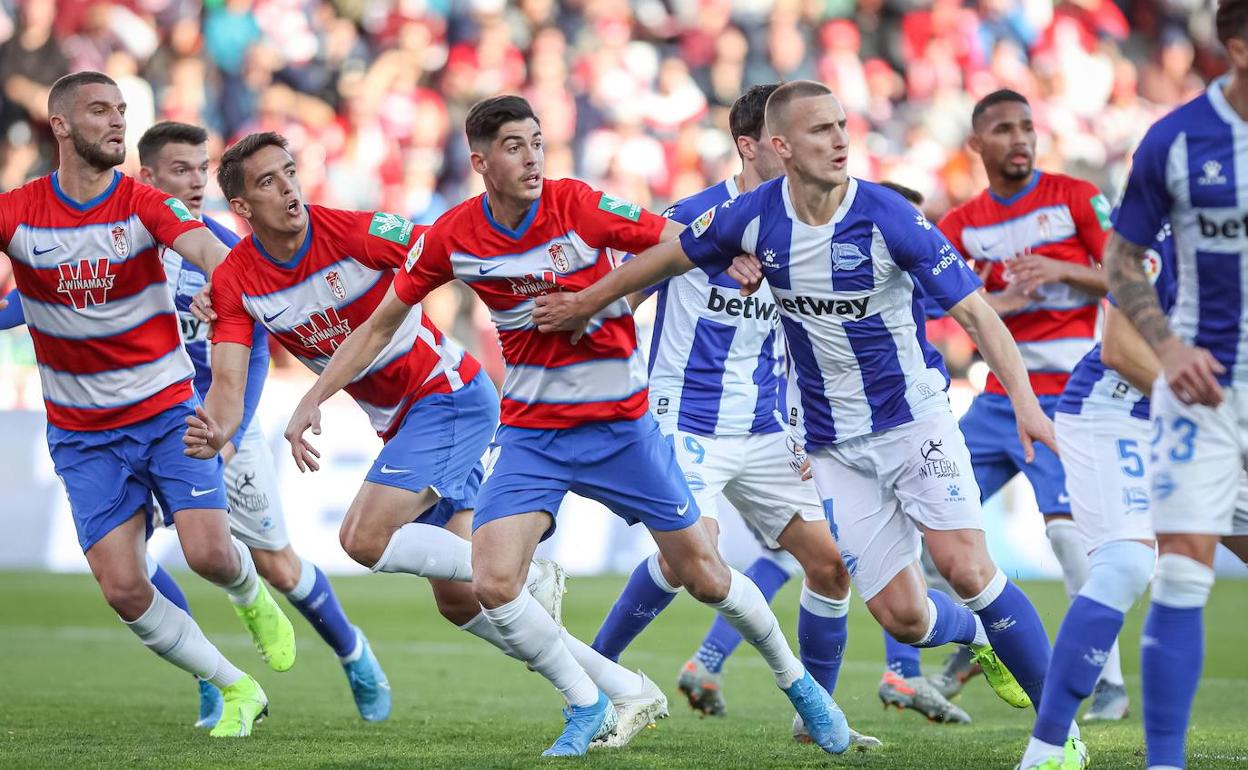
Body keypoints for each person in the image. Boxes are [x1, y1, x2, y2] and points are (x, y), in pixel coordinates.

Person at [291, 95, 851, 757]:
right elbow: (381, 322)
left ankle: (803, 690)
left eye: (537, 141)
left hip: (621, 428)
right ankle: (588, 704)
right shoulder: (452, 237)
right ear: (479, 160)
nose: (532, 157)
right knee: (493, 582)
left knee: (705, 574)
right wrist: (314, 397)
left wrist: (716, 254)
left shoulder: (578, 205)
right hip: (532, 436)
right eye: (513, 146)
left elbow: (667, 235)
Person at [533, 79, 1074, 754]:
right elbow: (650, 268)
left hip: (825, 426)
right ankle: (607, 680)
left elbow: (970, 312)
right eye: (820, 130)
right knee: (704, 565)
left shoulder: (884, 217)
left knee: (882, 571)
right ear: (766, 146)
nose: (841, 139)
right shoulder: (724, 217)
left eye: (843, 125)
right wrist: (585, 310)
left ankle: (1032, 729)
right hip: (708, 420)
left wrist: (1024, 399)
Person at [183, 131, 657, 741]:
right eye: (268, 182)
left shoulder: (356, 232)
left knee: (363, 538)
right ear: (243, 208)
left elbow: (446, 251)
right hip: (401, 424)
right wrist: (214, 427)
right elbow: (225, 380)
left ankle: (551, 620)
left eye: (290, 173)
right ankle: (622, 690)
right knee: (464, 601)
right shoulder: (235, 281)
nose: (289, 190)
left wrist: (554, 294)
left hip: (450, 398)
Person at [586, 84, 881, 749]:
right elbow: (616, 298)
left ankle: (817, 721)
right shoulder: (689, 218)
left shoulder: (810, 224)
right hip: (685, 420)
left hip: (767, 427)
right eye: (787, 141)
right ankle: (596, 684)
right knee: (694, 561)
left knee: (831, 567)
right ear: (751, 147)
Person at [0, 71, 293, 738]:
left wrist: (224, 286)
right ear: (62, 126)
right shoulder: (17, 211)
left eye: (122, 111)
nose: (116, 122)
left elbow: (214, 254)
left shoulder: (142, 205)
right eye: (100, 110)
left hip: (165, 414)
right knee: (125, 589)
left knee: (211, 554)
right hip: (81, 434)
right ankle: (234, 685)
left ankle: (251, 597)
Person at [934, 89, 1119, 712]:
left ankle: (1109, 684)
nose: (1019, 138)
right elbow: (941, 308)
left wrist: (1063, 271)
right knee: (930, 523)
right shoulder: (959, 225)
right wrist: (998, 307)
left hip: (1072, 390)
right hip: (998, 397)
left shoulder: (1072, 197)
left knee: (1069, 537)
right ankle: (988, 631)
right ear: (976, 145)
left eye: (1027, 127)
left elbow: (1134, 271)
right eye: (1004, 129)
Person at [1102, 2, 1248, 766]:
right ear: (1237, 48)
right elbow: (1123, 262)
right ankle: (1165, 763)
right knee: (1185, 566)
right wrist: (1170, 346)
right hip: (1208, 389)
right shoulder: (1177, 139)